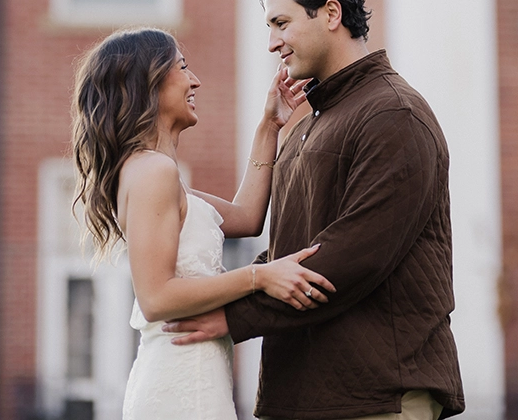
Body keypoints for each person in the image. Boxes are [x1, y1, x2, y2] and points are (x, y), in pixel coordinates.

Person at [163, 0, 465, 420]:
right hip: (302, 393)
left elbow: (350, 258)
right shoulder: (308, 125)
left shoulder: (393, 114)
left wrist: (231, 315)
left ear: (330, 14)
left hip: (376, 397)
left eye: (281, 23)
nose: (272, 43)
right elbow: (286, 253)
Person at [71, 27, 337, 420]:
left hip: (193, 377)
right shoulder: (153, 173)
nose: (194, 81)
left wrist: (270, 125)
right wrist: (260, 277)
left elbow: (247, 217)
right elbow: (156, 298)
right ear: (148, 84)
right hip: (182, 384)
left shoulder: (157, 173)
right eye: (182, 68)